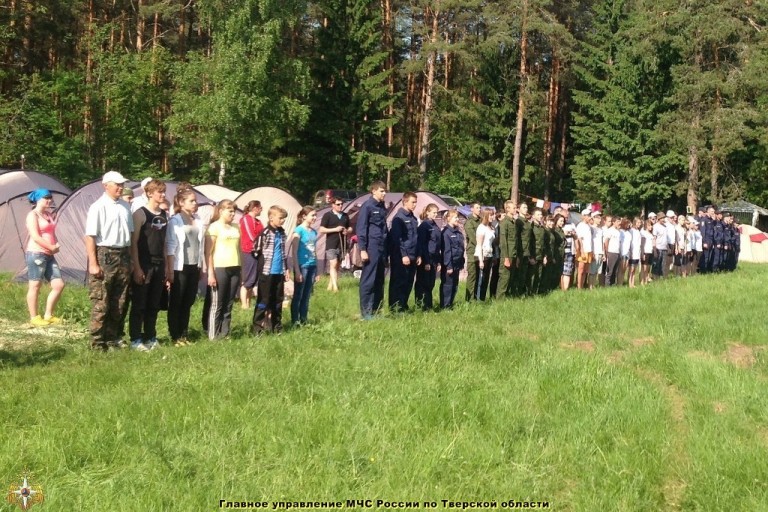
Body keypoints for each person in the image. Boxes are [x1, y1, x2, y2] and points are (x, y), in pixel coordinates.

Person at [85, 171, 134, 351]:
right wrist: (93, 263)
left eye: (122, 185)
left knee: (120, 300)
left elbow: (130, 234)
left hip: (123, 254)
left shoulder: (125, 206)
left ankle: (112, 338)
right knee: (101, 301)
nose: (120, 188)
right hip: (105, 254)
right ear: (106, 186)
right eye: (117, 185)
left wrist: (131, 260)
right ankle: (97, 343)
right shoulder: (98, 207)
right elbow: (90, 236)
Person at [128, 179, 168, 351]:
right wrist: (136, 267)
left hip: (159, 264)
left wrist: (166, 266)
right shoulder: (140, 214)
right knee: (139, 304)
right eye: (160, 192)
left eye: (164, 191)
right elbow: (133, 243)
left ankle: (150, 336)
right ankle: (135, 339)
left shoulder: (165, 214)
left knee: (154, 303)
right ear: (149, 193)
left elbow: (164, 242)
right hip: (144, 263)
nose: (163, 195)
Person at [165, 188, 204, 347]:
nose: (195, 203)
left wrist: (200, 266)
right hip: (179, 267)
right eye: (192, 201)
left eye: (195, 201)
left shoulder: (197, 220)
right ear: (181, 203)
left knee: (188, 301)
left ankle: (184, 333)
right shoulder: (175, 221)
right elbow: (170, 247)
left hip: (194, 266)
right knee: (177, 302)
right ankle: (175, 336)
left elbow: (200, 245)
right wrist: (169, 270)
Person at [25, 188, 65, 326]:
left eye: (50, 198)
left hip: (49, 254)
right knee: (35, 285)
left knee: (58, 285)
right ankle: (34, 317)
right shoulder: (33, 215)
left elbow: (51, 232)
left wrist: (55, 244)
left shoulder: (48, 215)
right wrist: (51, 246)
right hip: (36, 253)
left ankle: (48, 315)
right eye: (46, 198)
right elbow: (35, 236)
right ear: (38, 200)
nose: (49, 200)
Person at [204, 199, 241, 340]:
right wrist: (211, 273)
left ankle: (225, 333)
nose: (233, 214)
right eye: (230, 211)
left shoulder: (236, 227)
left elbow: (239, 249)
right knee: (217, 304)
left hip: (235, 267)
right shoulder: (213, 227)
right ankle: (213, 335)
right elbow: (208, 252)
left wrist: (241, 269)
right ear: (221, 211)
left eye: (234, 211)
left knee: (229, 303)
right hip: (220, 268)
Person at [252, 205, 290, 334]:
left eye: (284, 219)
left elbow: (283, 252)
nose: (282, 221)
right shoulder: (265, 233)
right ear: (271, 217)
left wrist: (286, 269)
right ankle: (258, 328)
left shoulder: (282, 232)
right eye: (280, 218)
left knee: (278, 301)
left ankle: (276, 327)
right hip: (267, 272)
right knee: (264, 300)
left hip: (279, 272)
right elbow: (255, 251)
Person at [356, 181, 388, 320]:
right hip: (371, 247)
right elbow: (361, 229)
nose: (384, 193)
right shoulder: (367, 206)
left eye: (385, 191)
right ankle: (366, 312)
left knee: (379, 279)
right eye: (381, 191)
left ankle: (376, 309)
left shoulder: (382, 207)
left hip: (381, 247)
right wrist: (362, 249)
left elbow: (384, 228)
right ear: (373, 191)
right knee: (369, 279)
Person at [388, 192, 419, 312]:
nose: (415, 205)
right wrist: (403, 255)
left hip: (412, 254)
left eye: (416, 202)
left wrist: (417, 254)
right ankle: (395, 307)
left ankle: (403, 305)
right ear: (405, 201)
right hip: (401, 256)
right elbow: (398, 239)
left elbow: (415, 238)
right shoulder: (398, 218)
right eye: (413, 202)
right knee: (398, 282)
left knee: (408, 282)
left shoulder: (413, 218)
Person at [290, 206, 318, 326]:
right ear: (304, 216)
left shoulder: (314, 232)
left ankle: (304, 318)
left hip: (312, 265)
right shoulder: (298, 231)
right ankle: (295, 320)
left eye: (315, 215)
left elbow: (314, 250)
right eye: (312, 215)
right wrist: (297, 270)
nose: (315, 217)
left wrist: (317, 269)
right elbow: (294, 252)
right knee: (298, 294)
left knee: (307, 294)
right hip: (302, 266)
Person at [319, 197, 351, 292]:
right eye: (338, 204)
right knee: (333, 264)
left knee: (337, 265)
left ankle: (330, 285)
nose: (340, 206)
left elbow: (350, 228)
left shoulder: (345, 215)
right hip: (331, 244)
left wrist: (347, 231)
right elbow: (322, 229)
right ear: (332, 205)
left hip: (342, 244)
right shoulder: (327, 215)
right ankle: (335, 287)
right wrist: (335, 229)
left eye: (341, 204)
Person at [415, 203, 441, 310]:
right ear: (427, 212)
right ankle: (422, 305)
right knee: (423, 283)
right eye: (434, 212)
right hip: (427, 258)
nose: (435, 215)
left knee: (431, 283)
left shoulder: (435, 225)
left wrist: (438, 261)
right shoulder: (424, 226)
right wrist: (425, 261)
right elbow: (422, 244)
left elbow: (438, 244)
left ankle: (428, 305)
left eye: (436, 213)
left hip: (434, 258)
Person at [239, 200, 264, 309]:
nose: (261, 210)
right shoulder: (246, 219)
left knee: (253, 278)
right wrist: (259, 243)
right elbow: (250, 235)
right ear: (255, 208)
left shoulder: (258, 221)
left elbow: (263, 233)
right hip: (248, 251)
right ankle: (244, 305)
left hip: (258, 252)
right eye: (260, 208)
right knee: (248, 279)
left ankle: (248, 303)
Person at [440, 209, 464, 309]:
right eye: (455, 217)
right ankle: (445, 306)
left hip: (457, 263)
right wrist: (448, 266)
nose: (457, 219)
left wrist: (461, 262)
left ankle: (450, 304)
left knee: (455, 285)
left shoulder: (458, 232)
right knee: (447, 286)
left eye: (457, 217)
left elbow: (461, 248)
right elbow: (446, 251)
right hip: (449, 264)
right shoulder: (446, 233)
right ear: (448, 218)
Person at [496, 201, 518, 299]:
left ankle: (507, 297)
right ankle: (499, 299)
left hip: (513, 253)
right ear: (507, 209)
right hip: (507, 254)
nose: (515, 209)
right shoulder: (504, 222)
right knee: (504, 278)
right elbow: (503, 242)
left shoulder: (513, 222)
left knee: (511, 277)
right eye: (513, 208)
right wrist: (505, 257)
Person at [475, 208, 496, 300]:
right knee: (481, 279)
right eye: (491, 215)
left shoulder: (491, 227)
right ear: (486, 216)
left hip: (489, 255)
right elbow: (479, 245)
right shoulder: (481, 227)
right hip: (482, 256)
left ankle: (483, 298)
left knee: (486, 279)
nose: (493, 217)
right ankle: (478, 299)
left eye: (493, 215)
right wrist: (480, 260)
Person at [464, 202, 481, 301]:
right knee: (472, 276)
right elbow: (473, 238)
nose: (479, 209)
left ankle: (476, 297)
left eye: (480, 208)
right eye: (477, 208)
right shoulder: (469, 222)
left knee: (478, 275)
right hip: (473, 252)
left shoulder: (480, 221)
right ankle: (468, 299)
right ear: (472, 209)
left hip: (480, 252)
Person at [575, 208, 593, 289]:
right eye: (588, 215)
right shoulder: (580, 225)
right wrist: (581, 250)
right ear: (584, 216)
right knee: (581, 269)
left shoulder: (588, 226)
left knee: (585, 270)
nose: (590, 217)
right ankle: (579, 287)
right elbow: (579, 239)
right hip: (583, 250)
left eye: (590, 215)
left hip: (589, 250)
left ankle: (582, 285)